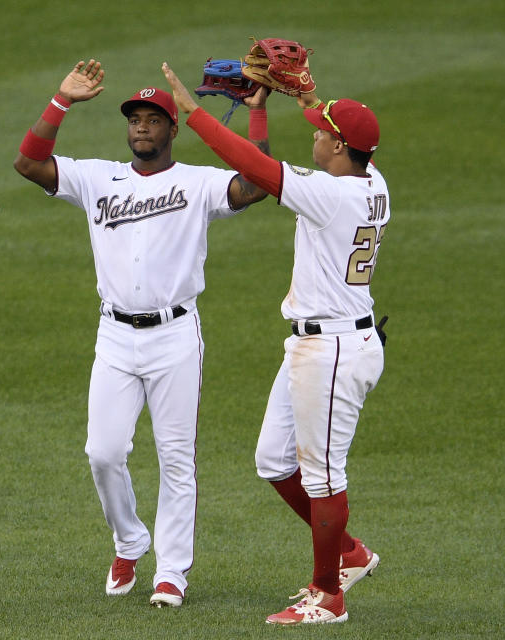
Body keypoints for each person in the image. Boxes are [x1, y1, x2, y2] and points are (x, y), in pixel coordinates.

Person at [13, 60, 268, 608]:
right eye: (136, 119)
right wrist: (61, 100)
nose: (142, 128)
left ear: (173, 128)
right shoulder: (97, 177)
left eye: (154, 119)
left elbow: (257, 183)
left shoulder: (197, 182)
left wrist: (259, 117)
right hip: (114, 337)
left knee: (176, 458)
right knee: (102, 453)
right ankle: (129, 538)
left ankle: (172, 572)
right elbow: (29, 164)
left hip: (175, 336)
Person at [162, 62, 388, 625]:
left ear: (339, 148)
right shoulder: (370, 181)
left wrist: (193, 114)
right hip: (322, 343)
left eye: (320, 130)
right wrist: (271, 104)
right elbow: (277, 164)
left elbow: (253, 167)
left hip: (332, 351)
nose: (311, 133)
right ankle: (349, 554)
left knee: (323, 476)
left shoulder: (329, 196)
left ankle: (326, 596)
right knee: (272, 460)